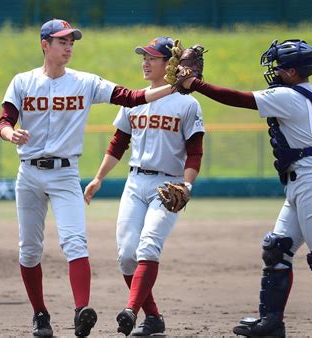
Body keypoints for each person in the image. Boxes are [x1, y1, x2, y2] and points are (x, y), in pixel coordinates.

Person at [0, 19, 176, 337]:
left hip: (65, 174)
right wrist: (10, 133)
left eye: (71, 42)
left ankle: (82, 311)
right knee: (29, 249)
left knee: (76, 242)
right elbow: (5, 119)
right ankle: (40, 314)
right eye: (62, 41)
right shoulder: (22, 82)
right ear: (45, 45)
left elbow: (131, 97)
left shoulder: (84, 82)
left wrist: (177, 87)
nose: (68, 46)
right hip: (29, 174)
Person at [178, 39, 312, 337]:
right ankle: (271, 323)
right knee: (277, 250)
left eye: (278, 66)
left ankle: (271, 321)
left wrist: (195, 83)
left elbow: (237, 98)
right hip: (307, 183)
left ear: (292, 71)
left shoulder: (287, 96)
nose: (274, 71)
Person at [83, 36, 205, 336]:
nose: (145, 62)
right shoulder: (134, 100)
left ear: (170, 64)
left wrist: (187, 186)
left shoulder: (187, 104)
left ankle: (131, 310)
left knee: (148, 246)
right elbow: (118, 143)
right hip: (135, 182)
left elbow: (195, 152)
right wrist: (99, 178)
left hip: (169, 185)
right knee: (126, 254)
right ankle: (153, 318)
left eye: (152, 57)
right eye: (144, 57)